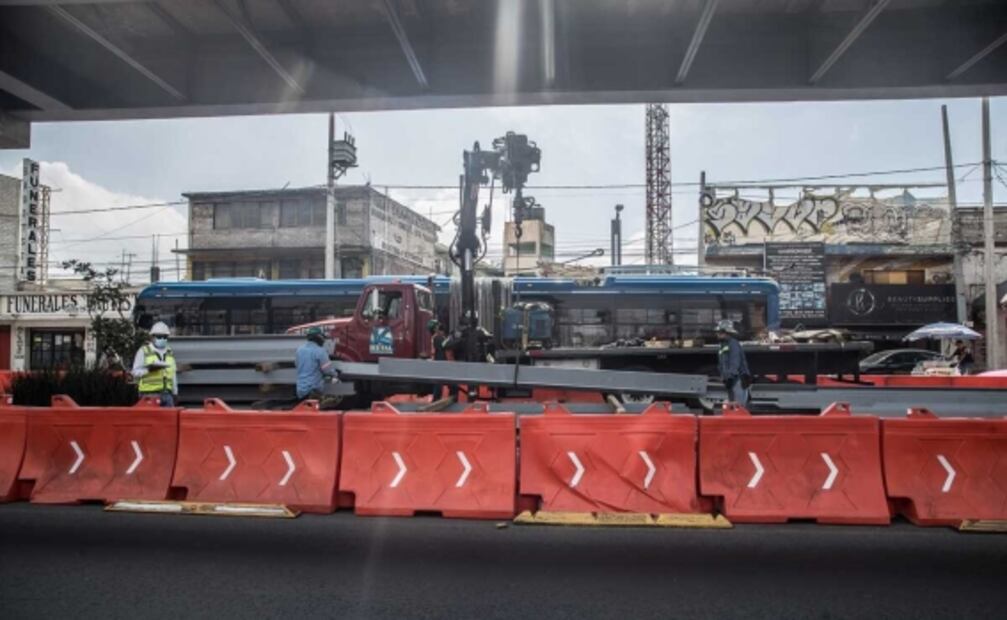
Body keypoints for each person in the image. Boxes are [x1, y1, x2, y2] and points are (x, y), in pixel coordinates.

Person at [132, 322, 177, 407]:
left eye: (165, 337)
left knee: (169, 419)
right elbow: (135, 372)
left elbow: (173, 374)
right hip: (149, 395)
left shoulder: (169, 352)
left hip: (167, 395)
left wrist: (175, 392)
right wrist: (148, 370)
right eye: (159, 337)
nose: (163, 339)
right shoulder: (144, 351)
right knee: (151, 420)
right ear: (152, 337)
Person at [295, 326, 338, 401]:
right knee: (336, 385)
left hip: (300, 390)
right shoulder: (320, 351)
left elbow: (297, 365)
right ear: (319, 337)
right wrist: (335, 374)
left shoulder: (299, 350)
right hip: (313, 390)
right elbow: (328, 370)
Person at [716, 319, 751, 406]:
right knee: (733, 405)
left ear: (726, 333)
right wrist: (723, 376)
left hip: (737, 378)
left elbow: (735, 362)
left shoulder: (733, 344)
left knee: (739, 405)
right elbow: (722, 363)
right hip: (731, 379)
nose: (717, 334)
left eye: (720, 332)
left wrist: (730, 376)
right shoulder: (723, 345)